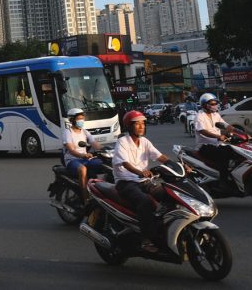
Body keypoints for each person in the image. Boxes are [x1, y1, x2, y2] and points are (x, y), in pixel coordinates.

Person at [113, 110, 171, 254]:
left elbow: (159, 156)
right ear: (129, 126)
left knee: (168, 193)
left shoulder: (144, 142)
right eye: (137, 124)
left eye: (143, 123)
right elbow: (125, 163)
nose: (141, 126)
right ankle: (146, 240)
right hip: (126, 182)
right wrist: (140, 172)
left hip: (144, 181)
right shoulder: (122, 141)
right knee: (145, 201)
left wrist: (175, 165)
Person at [62, 108, 104, 200]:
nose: (81, 121)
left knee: (103, 164)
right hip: (72, 160)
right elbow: (71, 150)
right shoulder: (68, 132)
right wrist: (84, 155)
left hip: (85, 159)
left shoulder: (85, 132)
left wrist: (106, 149)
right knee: (83, 169)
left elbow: (94, 143)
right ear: (72, 120)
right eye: (79, 119)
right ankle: (86, 199)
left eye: (82, 118)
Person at [194, 93, 233, 183]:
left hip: (218, 144)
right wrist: (218, 136)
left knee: (234, 152)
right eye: (212, 104)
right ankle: (223, 182)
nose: (215, 106)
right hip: (204, 146)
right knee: (223, 157)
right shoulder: (200, 116)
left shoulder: (216, 115)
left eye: (215, 103)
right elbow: (202, 131)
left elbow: (226, 125)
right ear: (204, 105)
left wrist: (238, 132)